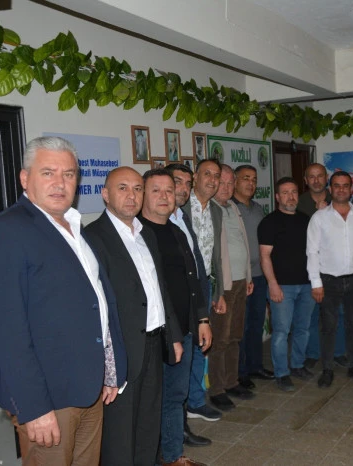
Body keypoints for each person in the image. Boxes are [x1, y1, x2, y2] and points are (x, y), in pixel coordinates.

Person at [0, 136, 127, 465]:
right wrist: (34, 407)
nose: (60, 183)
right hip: (48, 397)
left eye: (68, 174)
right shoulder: (4, 231)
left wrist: (111, 369)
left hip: (89, 387)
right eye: (48, 173)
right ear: (24, 178)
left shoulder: (76, 228)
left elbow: (97, 303)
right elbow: (8, 331)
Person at [84, 167, 183, 466]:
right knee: (120, 432)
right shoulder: (93, 237)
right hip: (121, 349)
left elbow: (160, 289)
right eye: (123, 188)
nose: (132, 196)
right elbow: (95, 303)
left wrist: (173, 335)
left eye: (138, 189)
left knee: (148, 424)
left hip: (153, 343)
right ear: (105, 194)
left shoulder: (146, 234)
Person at [136, 168, 210, 466]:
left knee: (176, 396)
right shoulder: (136, 234)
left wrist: (202, 320)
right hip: (154, 336)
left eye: (169, 190)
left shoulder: (178, 231)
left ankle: (173, 456)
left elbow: (193, 281)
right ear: (143, 194)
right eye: (156, 190)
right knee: (152, 401)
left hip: (185, 329)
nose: (165, 196)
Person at [307, 171, 353, 387]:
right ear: (330, 189)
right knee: (329, 327)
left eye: (345, 185)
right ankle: (327, 369)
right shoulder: (319, 218)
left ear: (351, 189)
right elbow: (312, 252)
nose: (341, 189)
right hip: (329, 281)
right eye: (336, 185)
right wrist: (316, 282)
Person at [164, 163, 218, 445]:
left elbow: (196, 262)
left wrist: (202, 314)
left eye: (187, 183)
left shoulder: (181, 217)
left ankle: (183, 421)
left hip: (194, 298)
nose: (183, 189)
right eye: (177, 182)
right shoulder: (158, 222)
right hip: (173, 309)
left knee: (189, 362)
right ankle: (176, 432)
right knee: (175, 373)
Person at [258, 177, 315, 391]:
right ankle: (281, 373)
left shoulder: (306, 220)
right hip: (282, 287)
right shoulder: (269, 222)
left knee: (303, 329)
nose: (290, 197)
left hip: (307, 285)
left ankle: (298, 365)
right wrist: (272, 284)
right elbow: (265, 256)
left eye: (293, 192)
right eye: (285, 192)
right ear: (277, 197)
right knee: (281, 332)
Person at [207, 164, 255, 410]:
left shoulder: (233, 208)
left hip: (240, 282)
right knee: (220, 339)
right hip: (223, 285)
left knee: (235, 335)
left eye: (229, 183)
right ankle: (217, 389)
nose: (225, 187)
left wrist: (248, 277)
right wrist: (218, 289)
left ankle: (231, 381)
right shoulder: (209, 210)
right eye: (221, 182)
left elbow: (242, 243)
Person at [184, 159, 227, 420]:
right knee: (183, 347)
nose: (212, 180)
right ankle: (181, 403)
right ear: (195, 176)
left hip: (205, 286)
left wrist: (219, 291)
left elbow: (216, 256)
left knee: (202, 345)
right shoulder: (180, 207)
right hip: (181, 288)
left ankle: (196, 402)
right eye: (207, 174)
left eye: (216, 175)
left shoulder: (217, 212)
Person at [298, 163, 348, 369]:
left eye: (320, 176)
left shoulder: (339, 197)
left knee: (338, 313)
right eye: (311, 176)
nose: (316, 180)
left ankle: (338, 352)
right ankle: (313, 352)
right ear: (305, 180)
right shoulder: (298, 201)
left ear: (326, 178)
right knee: (311, 314)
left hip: (335, 267)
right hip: (309, 267)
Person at [233, 165, 275, 388]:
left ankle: (255, 366)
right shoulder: (229, 208)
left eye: (254, 179)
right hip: (240, 278)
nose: (251, 183)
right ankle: (240, 373)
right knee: (241, 326)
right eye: (246, 178)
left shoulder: (258, 209)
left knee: (257, 324)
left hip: (259, 276)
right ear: (235, 181)